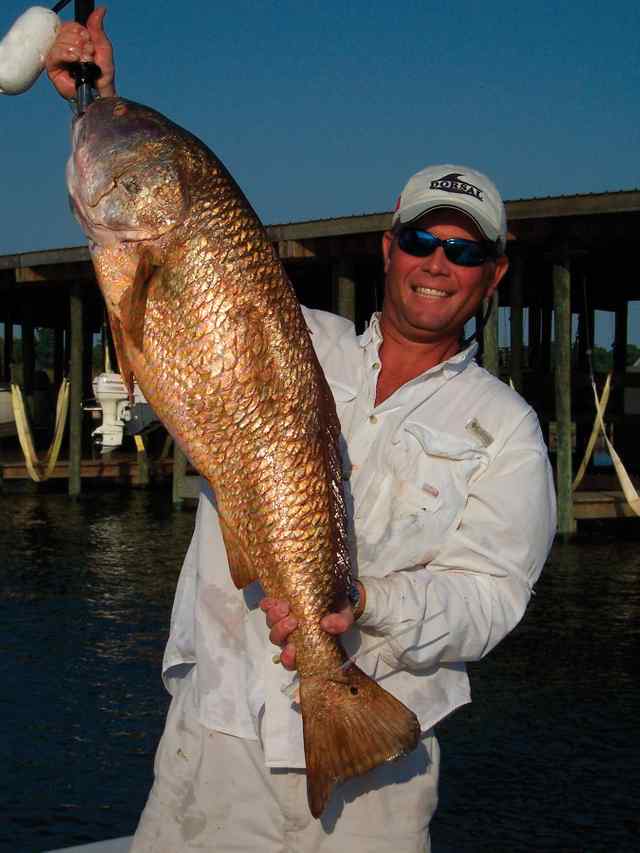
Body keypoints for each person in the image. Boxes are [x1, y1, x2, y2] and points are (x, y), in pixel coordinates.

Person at [47, 10, 556, 852]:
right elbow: (161, 270)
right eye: (421, 239)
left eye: (465, 252)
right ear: (388, 248)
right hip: (219, 737)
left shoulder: (505, 429)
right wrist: (97, 97)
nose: (438, 262)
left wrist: (367, 602)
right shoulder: (293, 336)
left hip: (377, 771)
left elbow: (491, 598)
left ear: (494, 274)